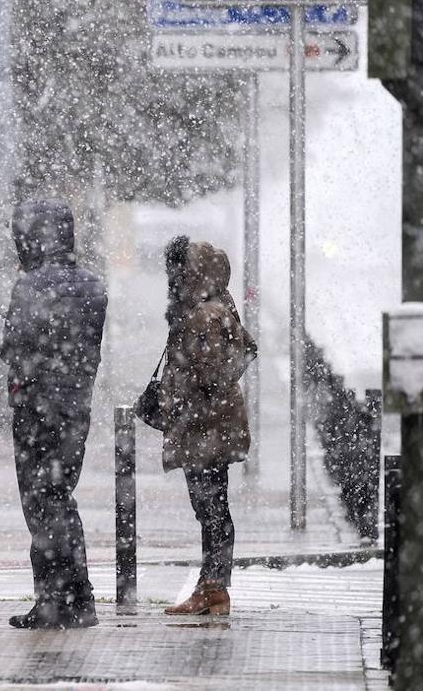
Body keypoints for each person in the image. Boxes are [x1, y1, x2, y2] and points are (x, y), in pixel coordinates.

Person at [0, 199, 108, 629]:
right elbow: (86, 351)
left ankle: (51, 598)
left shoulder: (30, 285)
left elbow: (13, 343)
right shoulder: (92, 286)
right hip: (75, 407)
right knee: (61, 497)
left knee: (39, 504)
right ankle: (80, 598)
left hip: (34, 407)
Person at [157, 236, 254, 617]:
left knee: (210, 507)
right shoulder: (215, 307)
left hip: (205, 427)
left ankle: (213, 588)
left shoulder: (204, 314)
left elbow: (213, 374)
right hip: (210, 425)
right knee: (212, 506)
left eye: (178, 272)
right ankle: (211, 587)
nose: (173, 280)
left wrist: (181, 393)